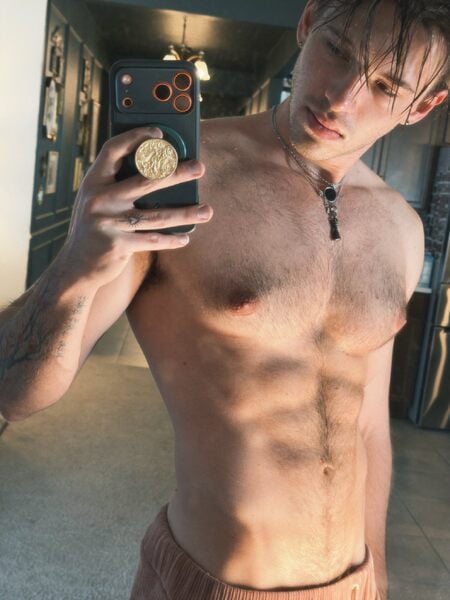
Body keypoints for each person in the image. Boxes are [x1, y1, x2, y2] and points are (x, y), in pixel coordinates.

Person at [1, 0, 448, 598]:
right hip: (212, 583)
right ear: (308, 21)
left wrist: (379, 577)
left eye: (387, 86)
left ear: (423, 107)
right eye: (338, 50)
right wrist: (75, 266)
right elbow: (15, 395)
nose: (341, 97)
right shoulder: (178, 181)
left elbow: (368, 427)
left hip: (353, 584)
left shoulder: (401, 227)